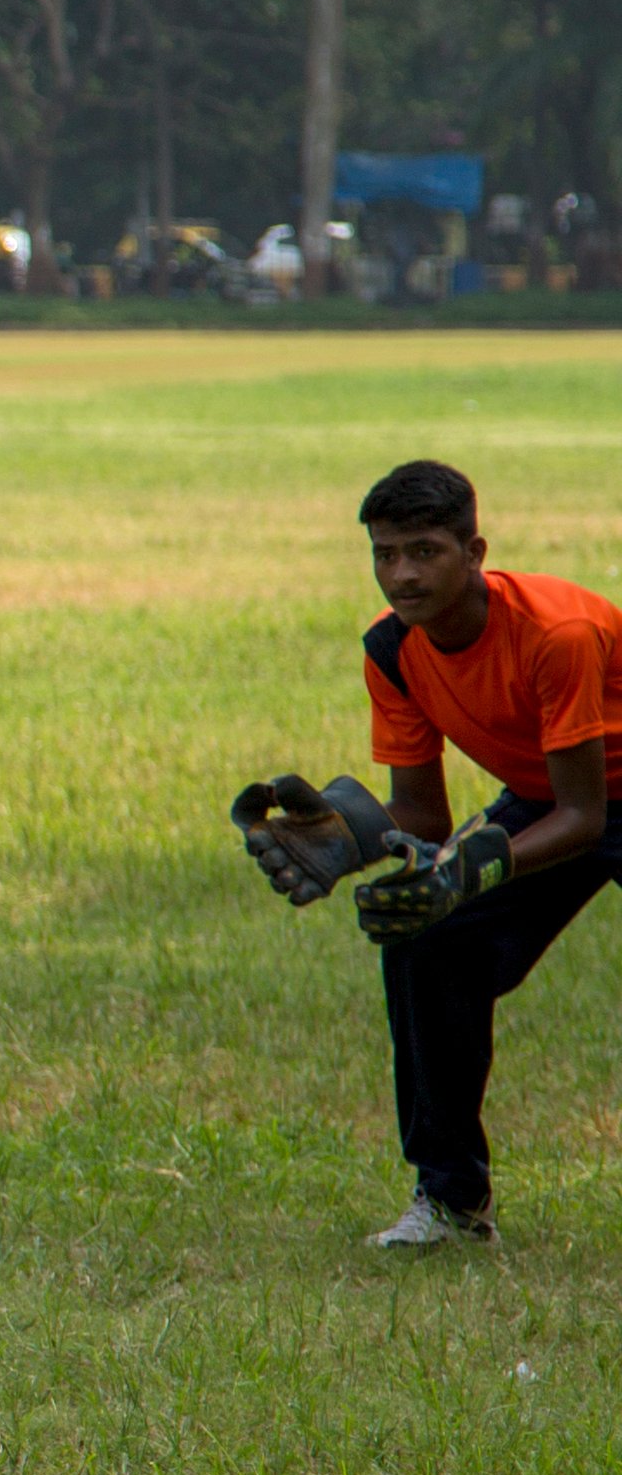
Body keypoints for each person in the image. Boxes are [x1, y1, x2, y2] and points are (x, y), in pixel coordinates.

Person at [238, 459, 622, 1246]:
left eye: (423, 551)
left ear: (474, 552)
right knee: (428, 939)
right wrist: (350, 839)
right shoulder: (394, 650)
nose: (401, 574)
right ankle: (449, 1200)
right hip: (551, 794)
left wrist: (474, 865)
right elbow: (422, 810)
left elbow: (585, 814)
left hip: (585, 796)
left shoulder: (556, 632)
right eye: (385, 553)